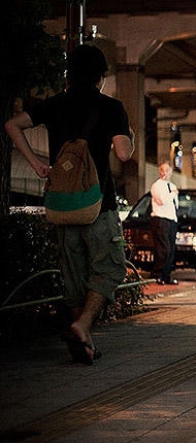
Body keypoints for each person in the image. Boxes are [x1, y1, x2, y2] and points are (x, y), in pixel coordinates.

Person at [5, 44, 134, 365]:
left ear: (70, 74)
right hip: (98, 206)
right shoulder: (112, 107)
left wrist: (36, 163)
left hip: (62, 205)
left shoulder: (55, 104)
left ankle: (84, 343)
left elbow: (11, 125)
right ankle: (83, 324)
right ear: (101, 76)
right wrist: (127, 132)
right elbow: (123, 153)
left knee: (73, 277)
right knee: (110, 268)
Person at [150, 161, 179, 285]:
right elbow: (162, 200)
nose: (165, 173)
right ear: (160, 171)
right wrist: (172, 194)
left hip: (171, 220)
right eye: (163, 170)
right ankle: (157, 275)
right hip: (160, 219)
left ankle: (166, 276)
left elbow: (174, 205)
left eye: (168, 170)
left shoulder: (171, 185)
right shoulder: (157, 185)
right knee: (163, 249)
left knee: (171, 249)